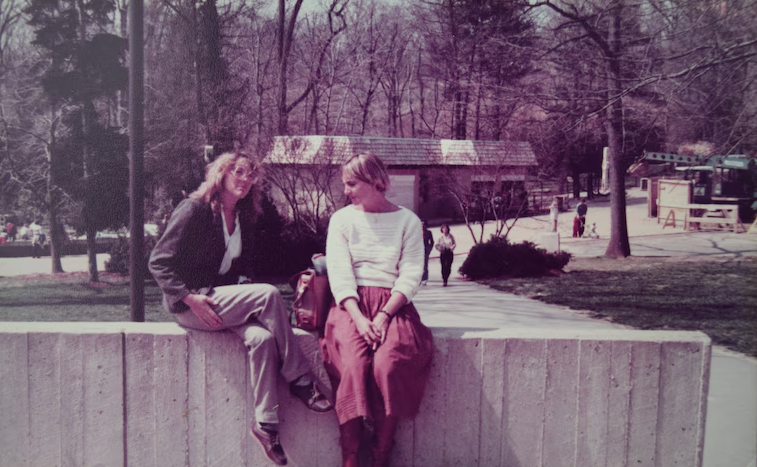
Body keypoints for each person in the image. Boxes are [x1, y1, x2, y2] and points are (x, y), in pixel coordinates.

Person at [148, 151, 332, 466]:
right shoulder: (194, 209)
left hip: (220, 299)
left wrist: (242, 280)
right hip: (192, 304)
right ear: (221, 174)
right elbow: (158, 262)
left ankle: (266, 425)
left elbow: (236, 266)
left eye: (251, 176)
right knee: (268, 294)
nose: (246, 180)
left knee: (262, 339)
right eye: (239, 172)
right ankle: (301, 379)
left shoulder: (242, 217)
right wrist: (189, 298)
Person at [321, 154, 434, 467]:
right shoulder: (341, 220)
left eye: (351, 183)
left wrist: (384, 315)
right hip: (350, 304)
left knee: (389, 365)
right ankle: (351, 454)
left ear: (374, 181)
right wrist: (359, 318)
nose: (346, 190)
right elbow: (339, 273)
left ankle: (381, 453)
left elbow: (411, 274)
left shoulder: (408, 221)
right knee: (354, 365)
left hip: (394, 305)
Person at [421, 220, 434, 285]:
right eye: (421, 224)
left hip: (426, 250)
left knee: (425, 266)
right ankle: (419, 279)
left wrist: (429, 249)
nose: (422, 226)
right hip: (418, 251)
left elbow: (432, 242)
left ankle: (424, 279)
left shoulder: (429, 232)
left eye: (424, 224)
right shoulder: (417, 233)